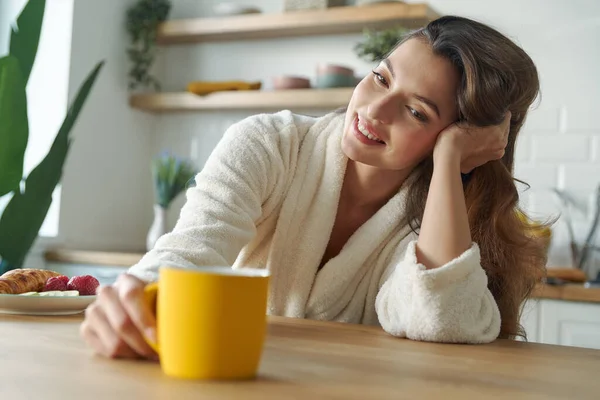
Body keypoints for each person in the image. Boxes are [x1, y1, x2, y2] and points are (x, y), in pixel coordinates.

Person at [81, 15, 550, 360]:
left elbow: (442, 320)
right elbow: (190, 250)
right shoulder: (269, 144)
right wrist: (136, 297)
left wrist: (447, 164)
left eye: (416, 112)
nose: (375, 109)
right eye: (380, 78)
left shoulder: (436, 218)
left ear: (464, 139)